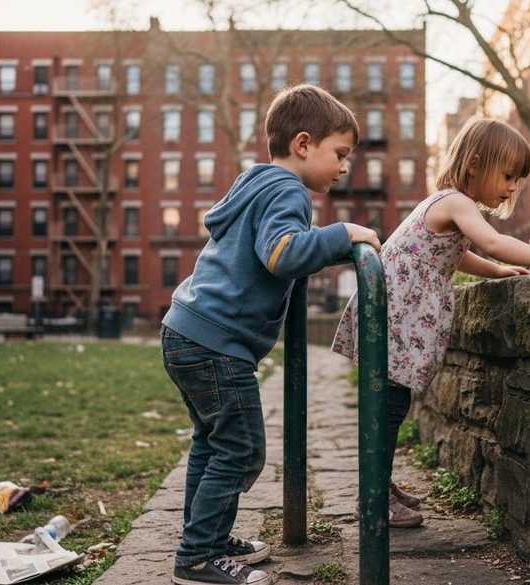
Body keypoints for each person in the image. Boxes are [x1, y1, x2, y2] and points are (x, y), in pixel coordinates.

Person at [162, 84, 381, 585]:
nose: (345, 166)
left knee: (211, 443)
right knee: (241, 450)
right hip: (218, 343)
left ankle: (207, 540)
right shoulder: (287, 191)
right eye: (340, 154)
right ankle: (196, 558)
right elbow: (281, 253)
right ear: (303, 145)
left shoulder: (253, 183)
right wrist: (341, 234)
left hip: (186, 330)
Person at [331, 118, 530, 527]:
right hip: (396, 320)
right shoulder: (456, 201)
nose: (511, 188)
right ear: (475, 163)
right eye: (508, 176)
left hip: (394, 317)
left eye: (517, 180)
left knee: (389, 404)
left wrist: (495, 271)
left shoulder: (447, 203)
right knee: (391, 406)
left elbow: (456, 254)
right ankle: (373, 499)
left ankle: (378, 484)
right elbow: (490, 240)